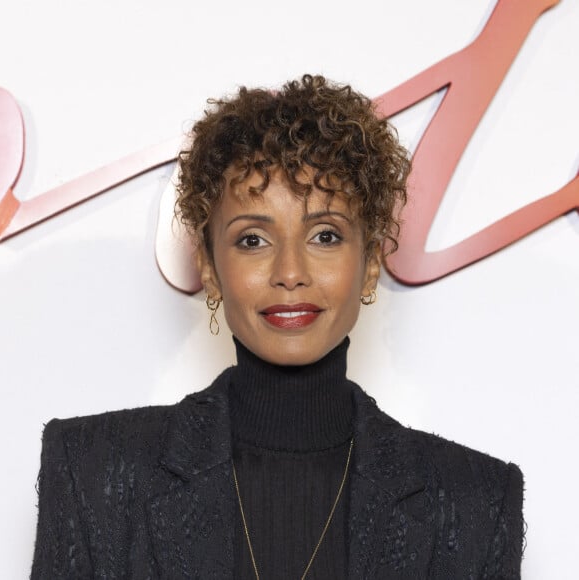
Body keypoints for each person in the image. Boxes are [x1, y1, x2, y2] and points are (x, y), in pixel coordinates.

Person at [31, 74, 524, 579]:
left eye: (326, 235)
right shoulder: (92, 472)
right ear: (208, 267)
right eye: (252, 240)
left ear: (371, 262)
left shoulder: (474, 501)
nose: (291, 273)